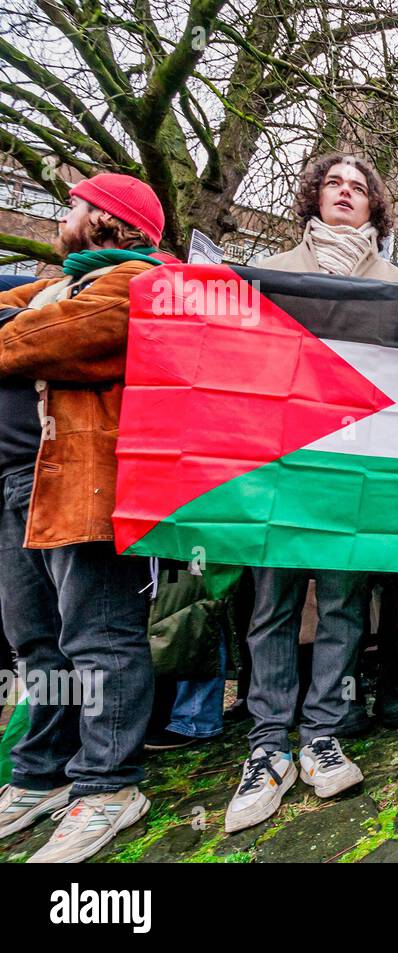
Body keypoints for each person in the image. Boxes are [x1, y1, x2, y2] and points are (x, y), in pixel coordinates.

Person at [225, 155, 398, 833]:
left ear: (374, 206)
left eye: (358, 185)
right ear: (315, 195)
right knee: (273, 606)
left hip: (352, 473)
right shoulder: (267, 273)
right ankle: (267, 745)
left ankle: (321, 735)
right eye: (334, 182)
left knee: (341, 605)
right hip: (279, 466)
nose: (344, 192)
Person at [0, 173, 175, 861]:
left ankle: (107, 783)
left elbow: (55, 339)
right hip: (19, 481)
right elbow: (23, 321)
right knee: (37, 642)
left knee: (99, 635)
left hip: (87, 484)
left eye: (73, 205)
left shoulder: (138, 280)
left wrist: (20, 327)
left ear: (111, 220)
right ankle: (42, 772)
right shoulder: (53, 283)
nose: (64, 214)